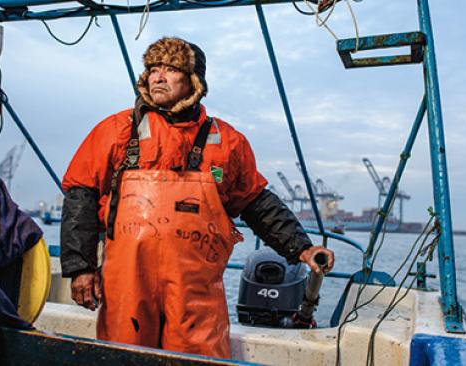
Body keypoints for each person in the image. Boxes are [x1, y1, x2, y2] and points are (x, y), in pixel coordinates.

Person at [60, 37, 334, 359]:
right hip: (127, 288)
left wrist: (301, 247)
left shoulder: (228, 142)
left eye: (171, 69)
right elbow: (81, 193)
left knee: (199, 358)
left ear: (193, 81)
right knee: (123, 356)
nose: (158, 77)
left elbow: (255, 202)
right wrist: (81, 267)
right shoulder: (117, 130)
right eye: (153, 69)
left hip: (196, 294)